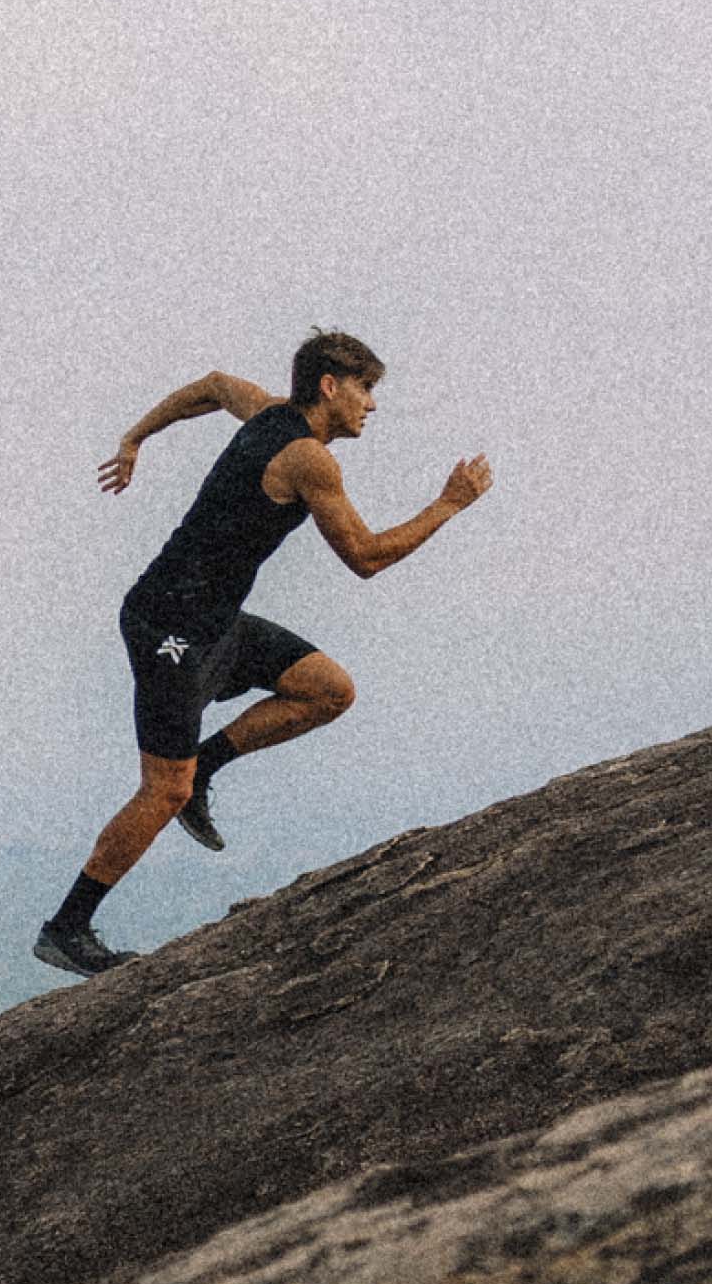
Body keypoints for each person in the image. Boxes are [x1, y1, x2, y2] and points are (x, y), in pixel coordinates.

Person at [34, 329, 490, 977]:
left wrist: (136, 438)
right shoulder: (309, 459)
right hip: (169, 623)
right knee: (164, 789)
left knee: (328, 689)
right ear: (329, 386)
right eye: (364, 388)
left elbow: (214, 385)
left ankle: (207, 767)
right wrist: (447, 505)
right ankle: (66, 928)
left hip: (215, 620)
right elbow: (364, 557)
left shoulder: (268, 410)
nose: (371, 404)